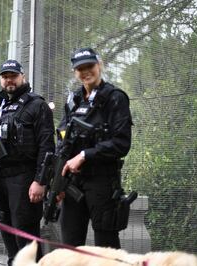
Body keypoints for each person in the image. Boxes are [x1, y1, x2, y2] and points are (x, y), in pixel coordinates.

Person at [0, 59, 55, 265]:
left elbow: (47, 148)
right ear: (1, 79)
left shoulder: (37, 105)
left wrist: (40, 181)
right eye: (5, 76)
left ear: (22, 77)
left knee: (25, 236)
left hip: (24, 178)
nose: (9, 80)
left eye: (13, 76)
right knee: (6, 229)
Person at [59, 48, 133, 249]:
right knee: (70, 248)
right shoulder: (73, 100)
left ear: (99, 65)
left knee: (106, 248)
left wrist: (85, 155)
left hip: (102, 182)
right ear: (75, 72)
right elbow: (62, 139)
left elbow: (121, 143)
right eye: (80, 68)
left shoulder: (115, 98)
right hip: (73, 183)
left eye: (89, 66)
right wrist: (56, 181)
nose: (85, 72)